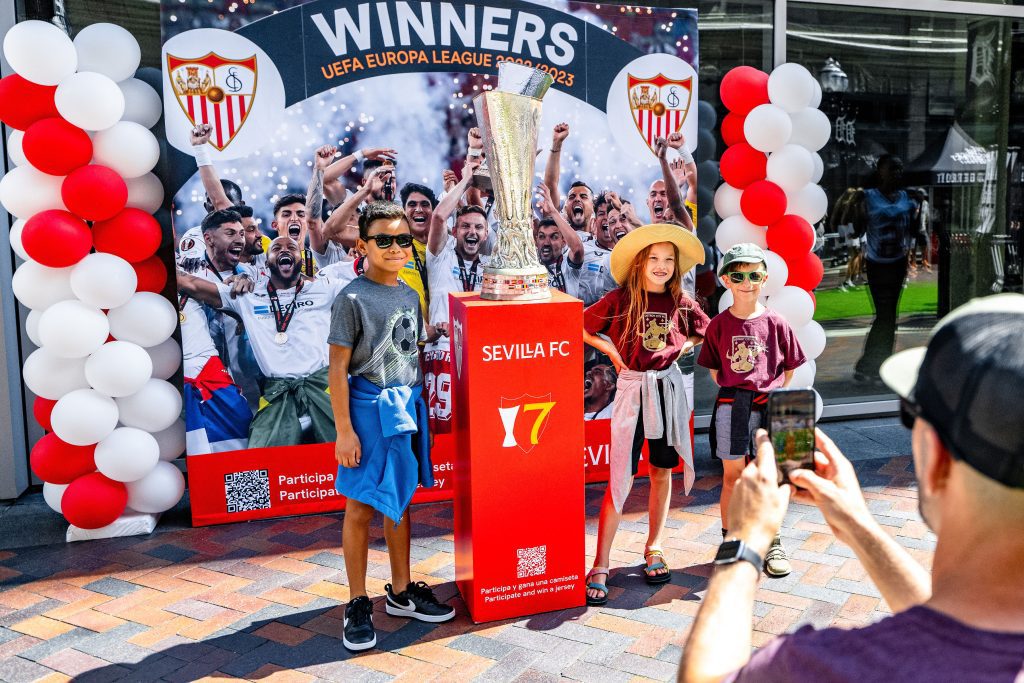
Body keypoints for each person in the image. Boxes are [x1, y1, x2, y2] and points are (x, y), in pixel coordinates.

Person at [679, 294, 1024, 683]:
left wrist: (743, 543)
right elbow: (958, 636)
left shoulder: (824, 667)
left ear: (936, 458)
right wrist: (860, 525)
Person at [328, 201, 455, 652]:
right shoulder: (351, 298)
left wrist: (421, 417)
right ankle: (357, 600)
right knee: (361, 506)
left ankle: (401, 592)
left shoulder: (408, 293)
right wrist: (345, 429)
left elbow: (409, 354)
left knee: (400, 502)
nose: (395, 246)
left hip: (405, 408)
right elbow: (337, 369)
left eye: (403, 239)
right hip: (366, 410)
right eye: (384, 239)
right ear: (363, 246)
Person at [582, 224, 708, 605]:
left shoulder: (682, 302)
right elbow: (581, 326)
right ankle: (601, 561)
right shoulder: (619, 299)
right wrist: (613, 355)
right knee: (620, 475)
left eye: (669, 259)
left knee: (661, 469)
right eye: (654, 258)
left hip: (666, 392)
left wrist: (682, 345)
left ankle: (655, 545)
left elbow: (702, 331)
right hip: (633, 390)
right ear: (639, 263)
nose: (661, 265)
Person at [177, 235, 349, 448]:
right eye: (276, 247)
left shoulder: (327, 288)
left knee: (348, 455)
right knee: (261, 458)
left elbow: (368, 289)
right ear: (266, 263)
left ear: (301, 258)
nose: (284, 250)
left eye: (291, 247)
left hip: (325, 389)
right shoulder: (246, 295)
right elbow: (191, 284)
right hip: (278, 395)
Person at [698, 244, 806, 577]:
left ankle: (771, 540)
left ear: (765, 279)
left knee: (769, 475)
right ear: (726, 280)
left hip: (771, 407)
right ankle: (731, 540)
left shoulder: (777, 322)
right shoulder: (718, 325)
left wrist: (768, 390)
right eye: (738, 275)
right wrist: (741, 386)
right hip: (734, 406)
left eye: (754, 275)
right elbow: (715, 371)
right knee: (732, 476)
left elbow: (789, 368)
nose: (747, 282)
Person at [423, 159, 484, 434]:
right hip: (441, 352)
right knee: (440, 429)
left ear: (485, 234)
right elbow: (437, 217)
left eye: (478, 228)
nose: (472, 232)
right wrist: (466, 181)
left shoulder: (491, 266)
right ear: (455, 231)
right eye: (466, 226)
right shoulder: (439, 256)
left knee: (474, 427)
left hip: (478, 356)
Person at [853, 155, 918, 384]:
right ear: (881, 171)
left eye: (900, 169)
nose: (897, 174)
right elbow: (856, 228)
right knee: (884, 315)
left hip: (897, 261)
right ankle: (871, 364)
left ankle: (877, 364)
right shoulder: (868, 197)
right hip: (878, 263)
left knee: (891, 316)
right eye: (893, 169)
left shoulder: (907, 198)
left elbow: (914, 230)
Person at [535, 183, 585, 298]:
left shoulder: (568, 266)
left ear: (564, 242)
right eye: (542, 236)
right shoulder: (531, 267)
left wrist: (553, 211)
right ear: (536, 240)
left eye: (553, 237)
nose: (546, 243)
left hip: (568, 316)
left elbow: (577, 249)